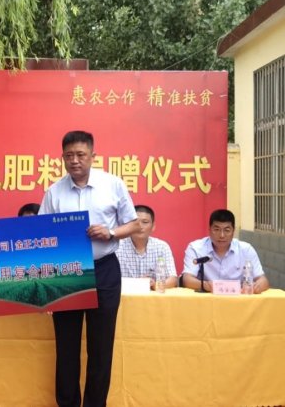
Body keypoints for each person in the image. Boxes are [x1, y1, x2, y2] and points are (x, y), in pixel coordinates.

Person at [39, 130, 139, 407]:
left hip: (104, 269)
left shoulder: (112, 184)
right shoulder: (54, 191)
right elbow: (41, 233)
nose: (75, 161)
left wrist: (110, 232)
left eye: (81, 155)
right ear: (62, 158)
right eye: (69, 155)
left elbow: (133, 224)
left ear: (93, 156)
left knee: (101, 346)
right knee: (66, 346)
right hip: (67, 273)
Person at [182, 209, 269, 294]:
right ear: (209, 230)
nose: (222, 235)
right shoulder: (196, 248)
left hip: (238, 299)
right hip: (207, 299)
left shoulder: (246, 250)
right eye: (216, 230)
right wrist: (207, 285)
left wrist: (257, 286)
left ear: (233, 231)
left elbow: (263, 280)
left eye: (227, 230)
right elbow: (187, 279)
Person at [116, 204, 178, 290]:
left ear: (153, 226)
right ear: (128, 225)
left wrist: (155, 285)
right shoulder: (117, 247)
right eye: (135, 222)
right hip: (124, 296)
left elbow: (173, 279)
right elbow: (109, 281)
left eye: (145, 222)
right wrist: (138, 284)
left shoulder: (162, 247)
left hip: (153, 296)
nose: (140, 226)